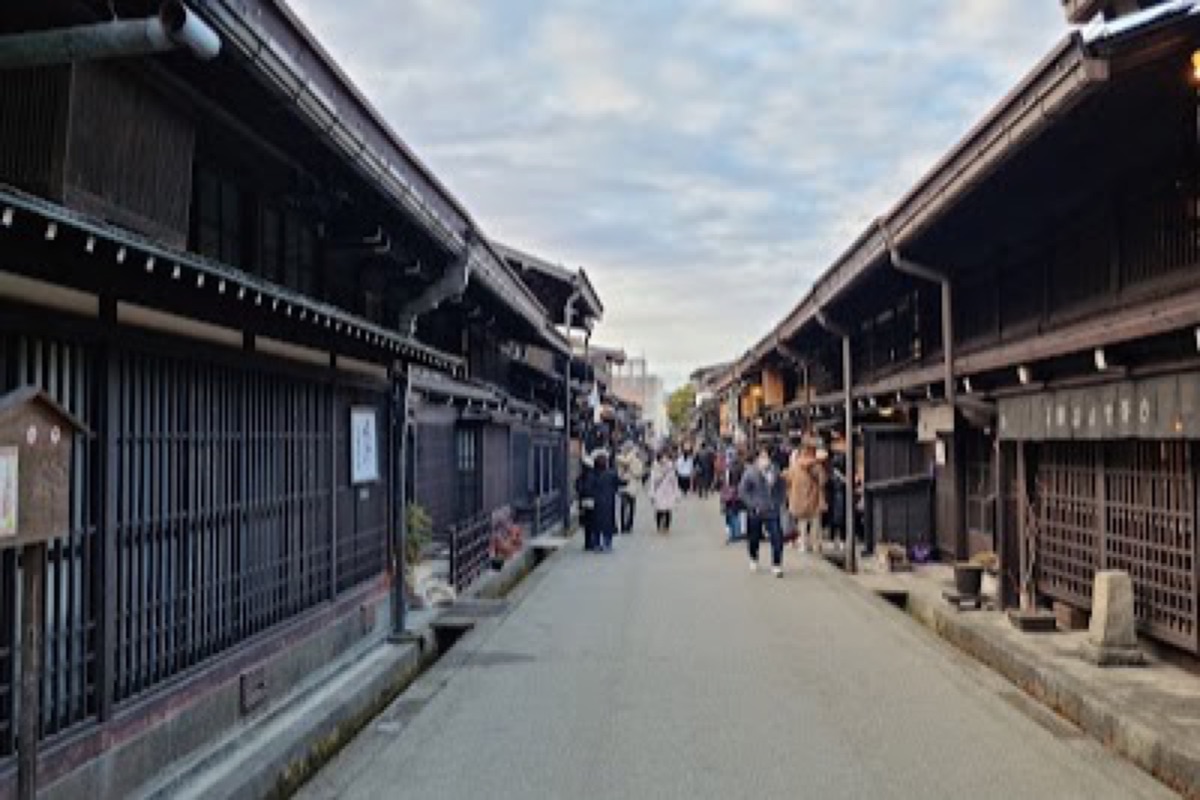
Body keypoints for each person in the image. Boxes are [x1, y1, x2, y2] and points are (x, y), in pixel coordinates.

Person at [739, 446, 786, 577]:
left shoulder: (775, 470)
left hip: (772, 510)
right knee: (754, 538)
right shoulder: (750, 472)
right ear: (757, 458)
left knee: (777, 538)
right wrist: (752, 505)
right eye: (762, 456)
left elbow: (782, 487)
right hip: (756, 511)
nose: (765, 459)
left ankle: (777, 564)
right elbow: (743, 491)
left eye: (766, 456)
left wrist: (779, 502)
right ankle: (753, 557)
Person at [784, 437, 826, 554]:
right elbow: (822, 481)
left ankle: (803, 545)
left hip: (799, 500)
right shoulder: (816, 466)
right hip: (813, 498)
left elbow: (788, 479)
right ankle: (815, 545)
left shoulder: (795, 465)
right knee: (815, 524)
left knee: (802, 523)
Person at [590, 453, 625, 552]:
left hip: (596, 502)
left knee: (596, 524)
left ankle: (596, 544)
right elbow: (620, 482)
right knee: (608, 523)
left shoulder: (592, 474)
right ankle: (607, 544)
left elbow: (588, 487)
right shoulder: (611, 474)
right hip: (608, 501)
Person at [615, 443, 645, 534]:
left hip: (629, 485)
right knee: (627, 506)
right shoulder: (622, 459)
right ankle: (626, 526)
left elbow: (639, 473)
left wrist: (630, 468)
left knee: (628, 506)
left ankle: (627, 526)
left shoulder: (632, 460)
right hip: (627, 485)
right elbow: (639, 473)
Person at [651, 451, 682, 533]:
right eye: (662, 458)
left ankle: (667, 527)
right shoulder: (655, 468)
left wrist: (677, 494)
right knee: (659, 510)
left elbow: (674, 482)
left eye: (665, 458)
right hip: (658, 491)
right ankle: (658, 526)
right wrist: (651, 494)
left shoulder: (670, 468)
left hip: (668, 492)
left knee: (668, 510)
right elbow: (652, 482)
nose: (664, 460)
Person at [720, 448, 746, 544]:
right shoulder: (741, 466)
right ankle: (736, 533)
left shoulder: (730, 467)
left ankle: (735, 534)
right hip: (737, 492)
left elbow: (728, 482)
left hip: (732, 493)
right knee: (736, 512)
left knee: (732, 513)